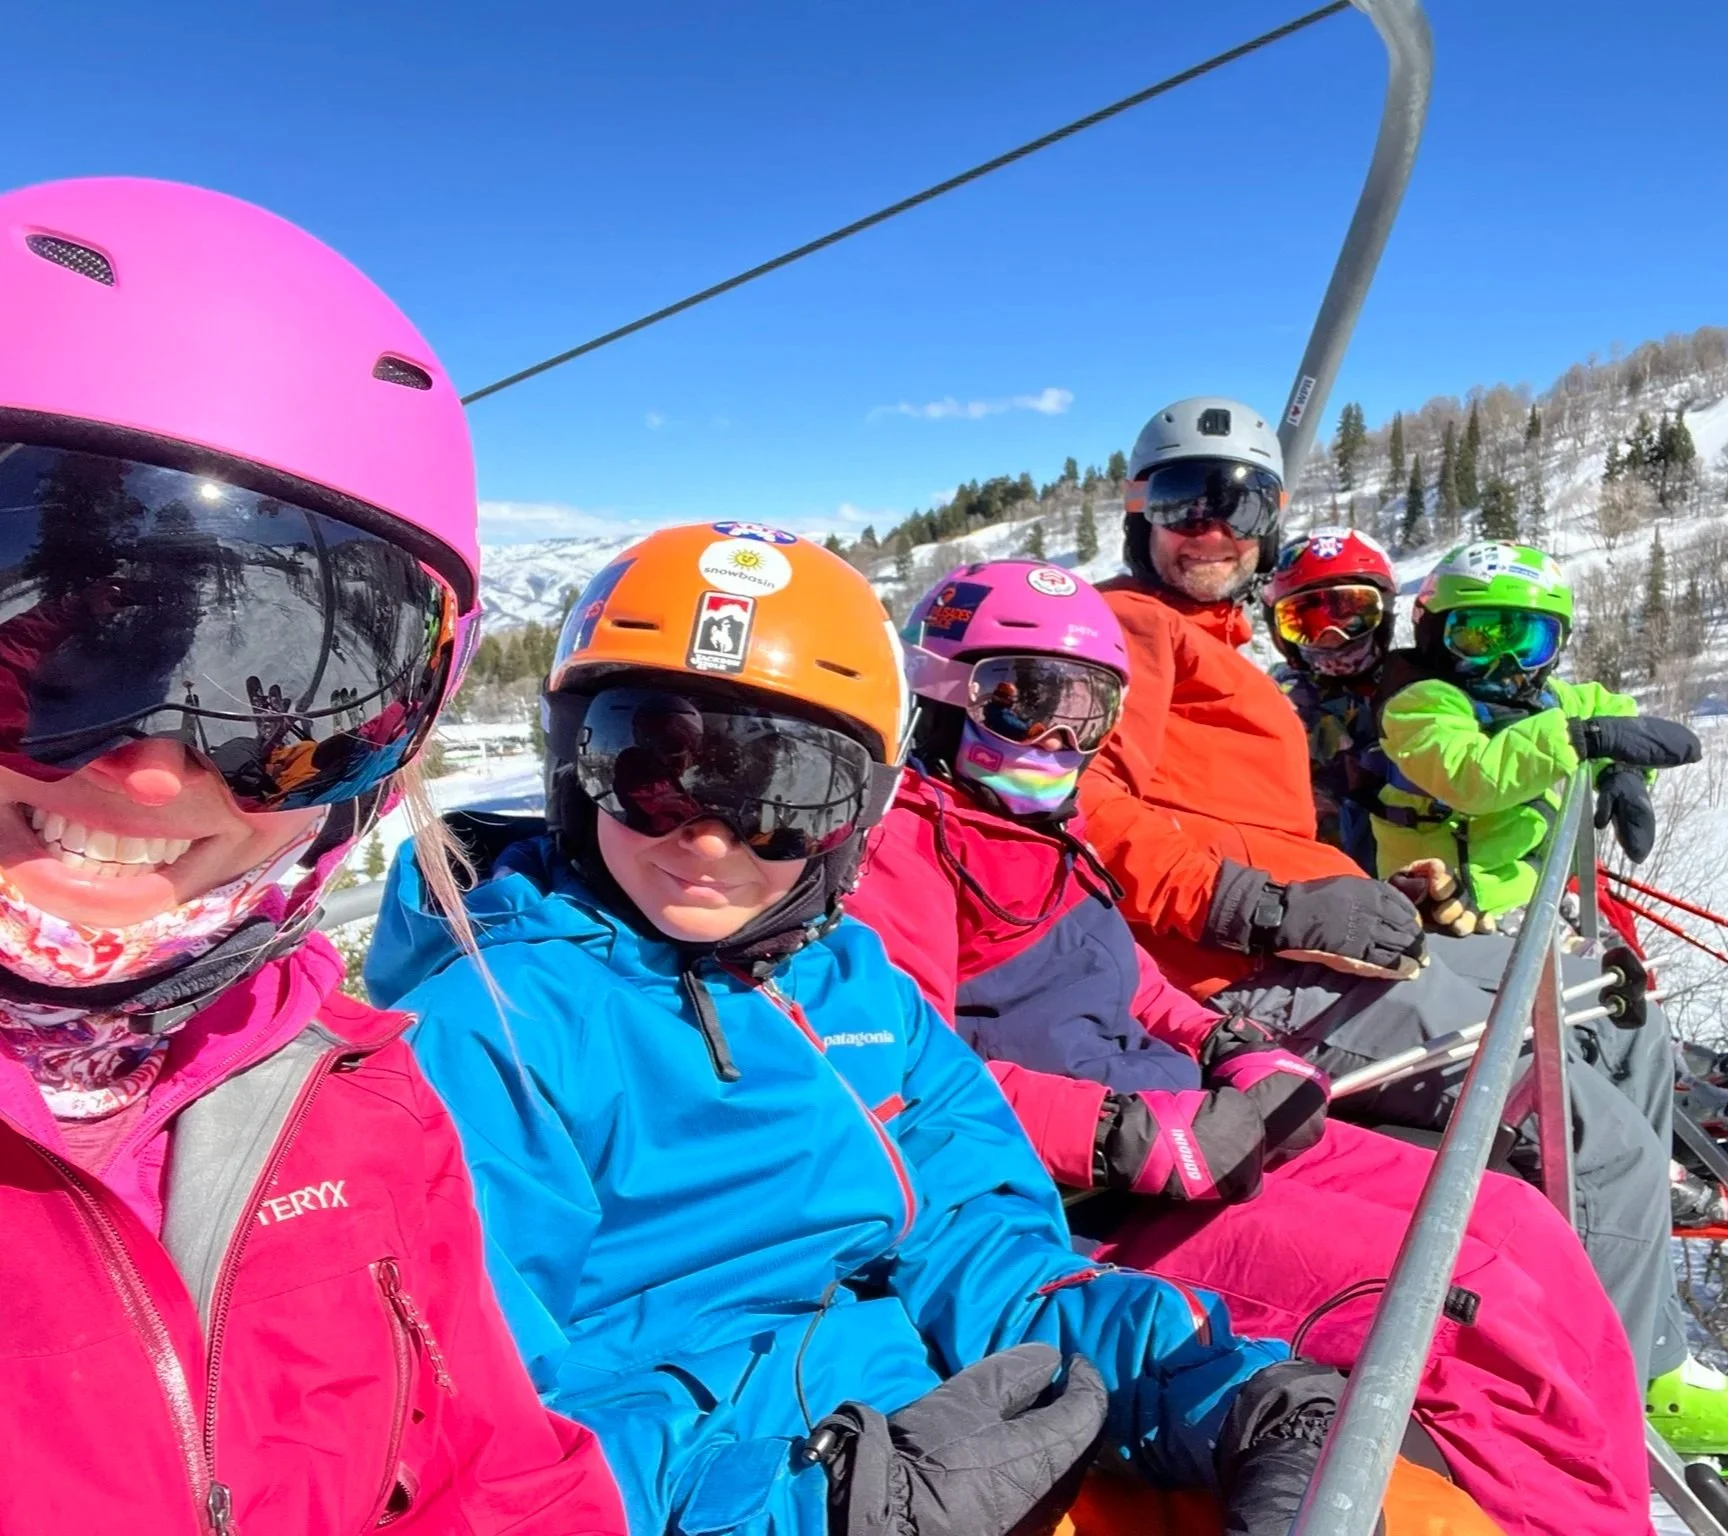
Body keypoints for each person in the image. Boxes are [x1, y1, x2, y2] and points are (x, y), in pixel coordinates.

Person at [365, 524, 1473, 1536]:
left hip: (946, 1429)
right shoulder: (487, 1034)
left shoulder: (853, 986)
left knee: (1411, 1512)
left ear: (853, 816)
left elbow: (983, 1251)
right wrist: (826, 1508)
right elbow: (481, 1446)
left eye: (781, 792)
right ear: (574, 766)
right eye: (650, 772)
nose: (707, 836)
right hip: (755, 1493)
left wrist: (1220, 1388)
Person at [0, 178, 625, 1532]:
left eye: (293, 704)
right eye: (41, 666)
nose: (153, 767)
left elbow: (498, 1479)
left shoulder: (359, 1100)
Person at [846, 558, 1652, 1535]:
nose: (1059, 737)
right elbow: (908, 1075)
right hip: (1098, 1200)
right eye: (1021, 702)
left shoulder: (1046, 827)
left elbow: (1129, 976)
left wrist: (1230, 1042)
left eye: (1088, 712)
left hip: (1196, 1129)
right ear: (937, 693)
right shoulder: (907, 846)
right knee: (1459, 1309)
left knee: (1513, 1219)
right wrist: (1127, 1134)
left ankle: (1617, 1506)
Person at [1077, 395, 1724, 1450]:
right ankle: (1579, 1424)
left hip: (1307, 944)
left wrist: (1373, 893)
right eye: (1185, 499)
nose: (1216, 527)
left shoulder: (1232, 658)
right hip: (1234, 977)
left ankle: (1632, 1345)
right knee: (1596, 1141)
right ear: (1138, 510)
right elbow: (1088, 812)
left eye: (1244, 503)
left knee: (1620, 1023)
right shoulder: (1123, 631)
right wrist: (1262, 904)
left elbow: (1265, 826)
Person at [1373, 539, 1699, 918]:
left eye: (1530, 643)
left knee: (1625, 964)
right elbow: (1470, 775)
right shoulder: (1420, 704)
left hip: (1538, 894)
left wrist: (1621, 767)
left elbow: (1604, 706)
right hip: (1450, 906)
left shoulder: (1543, 697)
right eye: (1477, 638)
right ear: (1431, 633)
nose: (1506, 664)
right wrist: (1583, 739)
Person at [1264, 527, 1400, 876]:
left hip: (1419, 875)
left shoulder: (1417, 690)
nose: (1331, 637)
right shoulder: (1275, 704)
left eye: (1354, 616)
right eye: (1306, 622)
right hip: (1314, 882)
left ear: (1384, 616)